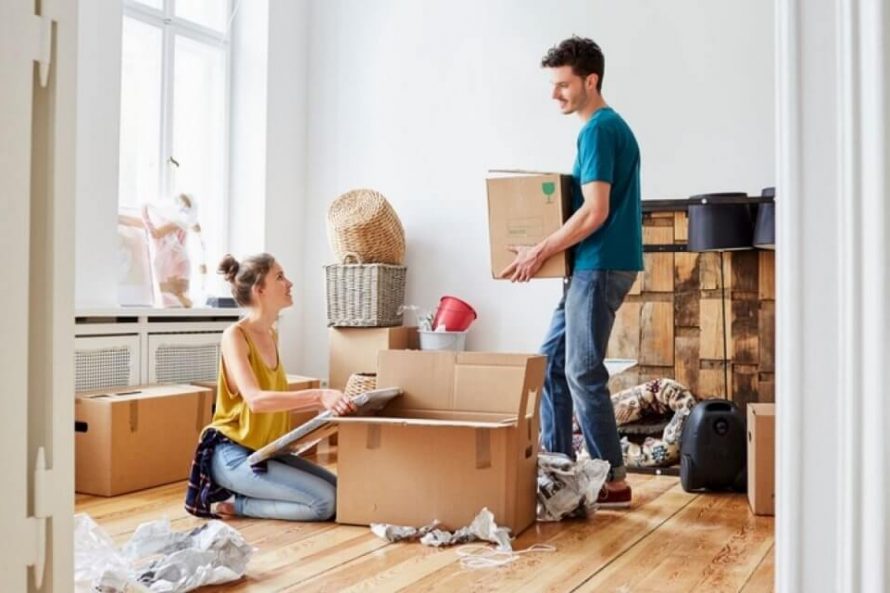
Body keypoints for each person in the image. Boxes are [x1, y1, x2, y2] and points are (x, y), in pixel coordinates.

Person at [500, 36, 643, 508]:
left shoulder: (599, 129)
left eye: (562, 85)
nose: (554, 94)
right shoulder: (600, 128)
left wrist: (538, 251)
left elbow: (595, 211)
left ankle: (612, 480)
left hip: (600, 264)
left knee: (581, 370)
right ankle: (558, 465)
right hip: (590, 264)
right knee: (551, 364)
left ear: (590, 80)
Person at [185, 253, 357, 520]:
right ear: (259, 289)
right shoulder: (235, 335)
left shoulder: (270, 334)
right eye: (279, 277)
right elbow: (256, 400)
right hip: (232, 455)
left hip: (265, 451)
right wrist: (320, 395)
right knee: (324, 503)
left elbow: (272, 400)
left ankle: (254, 493)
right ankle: (236, 504)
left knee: (343, 491)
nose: (289, 283)